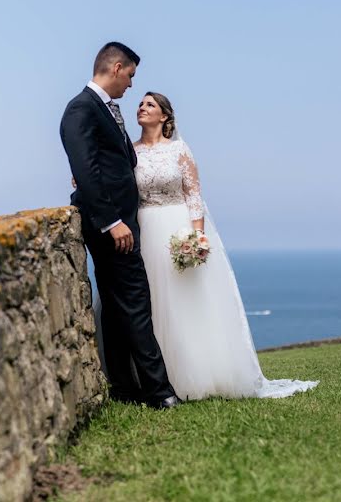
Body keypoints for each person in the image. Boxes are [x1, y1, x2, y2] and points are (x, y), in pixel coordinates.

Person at [132, 91, 319, 400]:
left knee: (185, 302)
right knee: (151, 303)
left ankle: (196, 376)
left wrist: (196, 238)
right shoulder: (131, 151)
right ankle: (152, 378)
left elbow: (194, 196)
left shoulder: (179, 150)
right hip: (145, 231)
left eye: (150, 104)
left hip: (176, 227)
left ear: (164, 116)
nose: (142, 107)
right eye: (140, 103)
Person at [59, 42, 181, 409]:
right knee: (135, 302)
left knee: (115, 309)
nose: (130, 85)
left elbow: (108, 163)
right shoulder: (81, 109)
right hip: (112, 226)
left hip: (122, 221)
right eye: (129, 76)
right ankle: (160, 393)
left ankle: (126, 390)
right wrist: (112, 221)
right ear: (116, 67)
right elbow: (85, 169)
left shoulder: (104, 109)